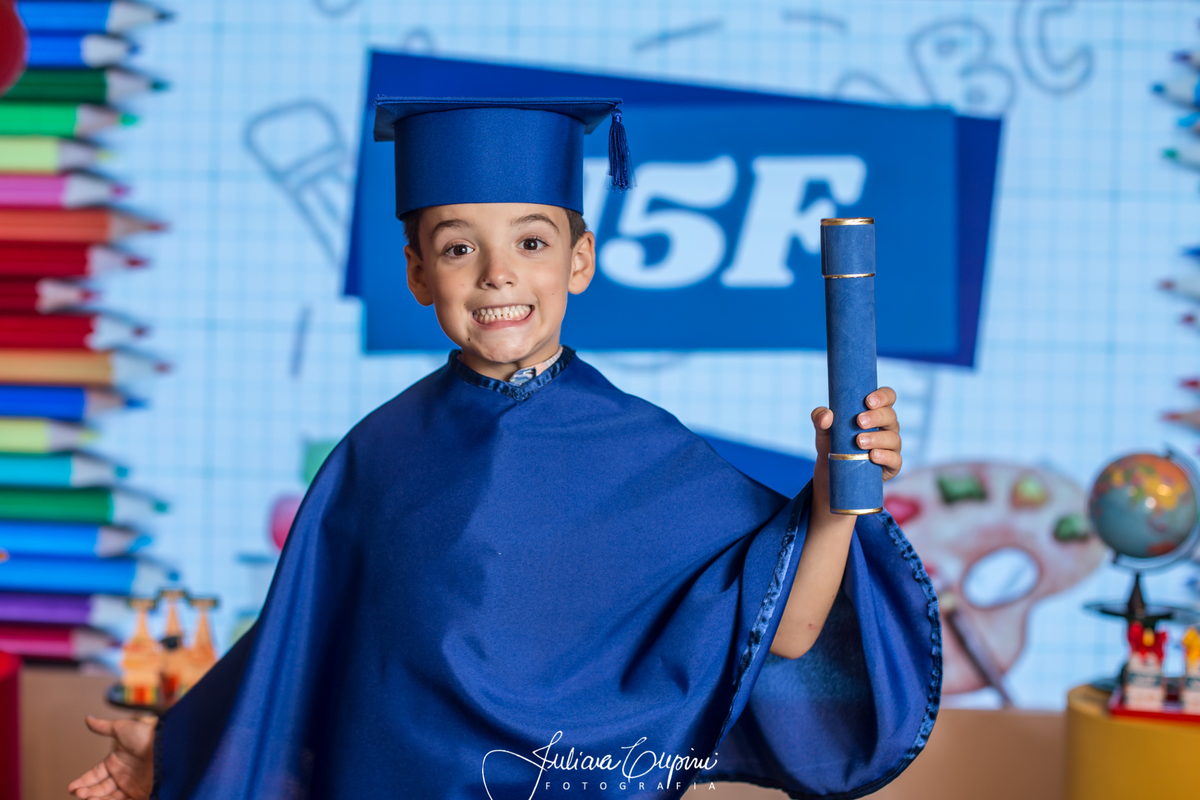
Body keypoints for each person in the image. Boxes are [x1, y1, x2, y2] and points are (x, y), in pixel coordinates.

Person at [70, 97, 940, 800]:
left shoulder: (645, 454)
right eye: (459, 248)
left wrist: (835, 497)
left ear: (580, 259)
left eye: (531, 242)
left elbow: (784, 630)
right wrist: (176, 753)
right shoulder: (378, 455)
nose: (498, 274)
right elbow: (294, 648)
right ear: (418, 273)